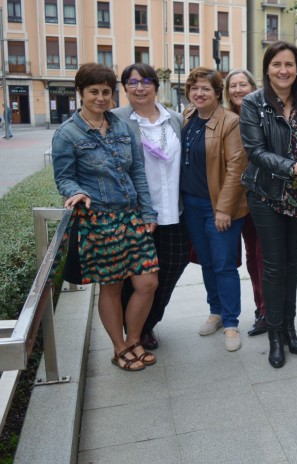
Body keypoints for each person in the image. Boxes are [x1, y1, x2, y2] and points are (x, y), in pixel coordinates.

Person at [52, 62, 159, 371]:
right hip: (98, 220)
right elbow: (64, 178)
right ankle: (119, 346)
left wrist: (147, 211)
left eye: (106, 92)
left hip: (132, 217)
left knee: (147, 282)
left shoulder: (124, 127)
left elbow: (138, 171)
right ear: (81, 93)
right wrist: (77, 191)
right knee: (111, 286)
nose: (100, 98)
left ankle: (135, 337)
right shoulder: (67, 134)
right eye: (93, 92)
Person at [240, 41, 297, 368]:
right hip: (267, 194)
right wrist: (291, 167)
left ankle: (289, 328)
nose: (283, 70)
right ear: (267, 69)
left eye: (289, 64)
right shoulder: (253, 103)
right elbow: (254, 150)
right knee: (273, 266)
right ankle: (274, 334)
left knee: (291, 264)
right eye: (276, 65)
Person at [113, 64, 188, 351]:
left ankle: (149, 322)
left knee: (171, 270)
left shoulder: (176, 120)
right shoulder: (116, 120)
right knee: (138, 279)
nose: (140, 87)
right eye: (132, 82)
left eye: (145, 81)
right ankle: (136, 331)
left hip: (173, 212)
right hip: (137, 215)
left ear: (156, 86)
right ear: (125, 87)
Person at [180, 67, 249, 352]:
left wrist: (224, 209)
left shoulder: (230, 121)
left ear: (217, 93)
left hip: (218, 207)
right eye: (194, 88)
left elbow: (236, 167)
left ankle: (232, 322)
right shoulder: (187, 117)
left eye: (205, 88)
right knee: (207, 263)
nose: (199, 93)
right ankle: (216, 312)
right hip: (192, 205)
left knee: (223, 265)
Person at [225, 68, 269, 337]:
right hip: (238, 198)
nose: (239, 89)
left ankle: (266, 310)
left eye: (243, 84)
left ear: (253, 87)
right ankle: (260, 306)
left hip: (263, 195)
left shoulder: (263, 114)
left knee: (263, 255)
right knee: (251, 256)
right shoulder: (226, 119)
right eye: (233, 85)